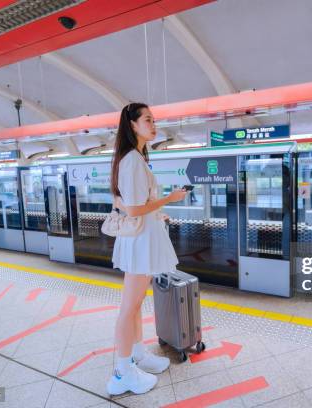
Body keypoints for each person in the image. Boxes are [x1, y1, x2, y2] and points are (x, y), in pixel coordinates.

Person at [107, 103, 188, 395]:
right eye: (148, 120)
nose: (154, 125)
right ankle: (122, 372)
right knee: (128, 308)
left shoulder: (134, 158)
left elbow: (126, 203)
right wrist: (169, 199)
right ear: (132, 125)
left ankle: (137, 355)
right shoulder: (131, 160)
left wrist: (157, 213)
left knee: (136, 304)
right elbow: (132, 207)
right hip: (140, 245)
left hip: (143, 240)